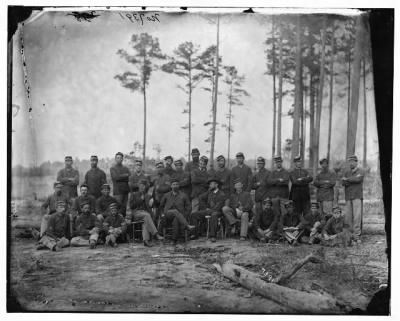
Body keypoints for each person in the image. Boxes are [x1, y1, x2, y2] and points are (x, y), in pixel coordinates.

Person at [127, 179, 164, 247]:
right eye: (141, 185)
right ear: (138, 186)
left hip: (145, 214)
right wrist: (141, 200)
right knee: (147, 216)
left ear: (145, 187)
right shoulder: (134, 194)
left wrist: (153, 201)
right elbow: (131, 206)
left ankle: (145, 241)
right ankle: (156, 234)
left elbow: (152, 206)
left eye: (143, 186)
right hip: (136, 213)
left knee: (146, 221)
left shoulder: (148, 196)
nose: (142, 187)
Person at [159, 178, 195, 245]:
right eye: (173, 184)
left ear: (179, 186)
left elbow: (189, 207)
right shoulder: (166, 195)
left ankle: (174, 240)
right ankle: (187, 225)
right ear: (171, 186)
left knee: (176, 219)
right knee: (175, 211)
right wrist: (162, 214)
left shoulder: (184, 195)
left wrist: (185, 215)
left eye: (176, 184)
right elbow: (161, 206)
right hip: (167, 215)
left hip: (180, 216)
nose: (175, 186)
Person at [190, 177, 226, 242]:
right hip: (209, 210)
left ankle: (213, 236)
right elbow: (200, 198)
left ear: (216, 185)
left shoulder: (221, 194)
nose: (210, 186)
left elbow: (218, 207)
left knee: (214, 215)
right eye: (210, 184)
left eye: (211, 184)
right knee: (194, 214)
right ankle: (194, 234)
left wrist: (208, 210)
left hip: (218, 212)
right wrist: (205, 207)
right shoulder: (209, 192)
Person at [341, 155, 364, 244]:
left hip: (357, 196)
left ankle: (357, 234)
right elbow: (343, 182)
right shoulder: (346, 172)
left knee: (357, 216)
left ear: (356, 162)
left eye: (352, 161)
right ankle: (350, 235)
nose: (351, 163)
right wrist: (349, 180)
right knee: (348, 217)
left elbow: (358, 179)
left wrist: (348, 180)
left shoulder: (360, 171)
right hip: (348, 196)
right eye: (349, 162)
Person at [110, 152, 130, 216]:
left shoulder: (126, 168)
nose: (119, 159)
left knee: (124, 209)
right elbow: (116, 178)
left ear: (122, 159)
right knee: (117, 209)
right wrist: (125, 175)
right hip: (117, 192)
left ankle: (123, 224)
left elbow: (129, 177)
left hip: (125, 192)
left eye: (120, 158)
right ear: (115, 159)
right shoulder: (113, 168)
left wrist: (121, 176)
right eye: (117, 158)